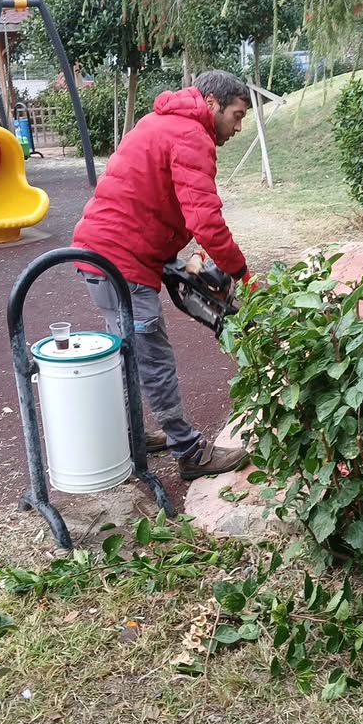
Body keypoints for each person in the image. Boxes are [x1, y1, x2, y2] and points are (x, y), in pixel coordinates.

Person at [72, 70, 252, 481]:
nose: (238, 127)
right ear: (212, 103)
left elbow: (150, 198)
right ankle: (189, 452)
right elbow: (206, 221)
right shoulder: (191, 136)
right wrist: (241, 272)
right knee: (153, 358)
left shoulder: (164, 122)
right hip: (120, 261)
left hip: (105, 255)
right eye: (237, 115)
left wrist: (170, 258)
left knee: (128, 351)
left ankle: (130, 434)